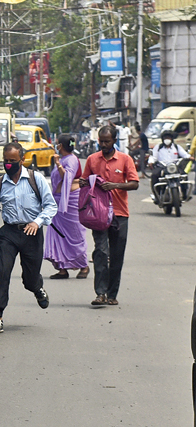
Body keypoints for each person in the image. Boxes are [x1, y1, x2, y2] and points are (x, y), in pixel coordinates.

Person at [0, 142, 57, 334]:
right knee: (3, 272)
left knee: (29, 279)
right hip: (9, 234)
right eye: (6, 161)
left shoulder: (35, 179)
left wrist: (37, 222)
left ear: (22, 160)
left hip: (32, 233)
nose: (9, 164)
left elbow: (50, 206)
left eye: (13, 161)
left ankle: (36, 288)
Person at [80, 125, 139, 307]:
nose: (103, 144)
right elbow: (85, 181)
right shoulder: (92, 159)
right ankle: (100, 293)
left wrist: (115, 185)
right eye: (101, 141)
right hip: (99, 215)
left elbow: (134, 183)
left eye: (107, 141)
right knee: (100, 252)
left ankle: (112, 294)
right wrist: (84, 183)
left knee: (116, 255)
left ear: (114, 140)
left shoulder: (125, 159)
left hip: (120, 214)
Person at [44, 134, 89, 279]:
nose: (56, 146)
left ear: (61, 146)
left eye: (57, 143)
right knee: (57, 233)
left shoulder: (72, 159)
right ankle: (62, 268)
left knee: (74, 233)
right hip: (58, 201)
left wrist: (58, 164)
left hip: (71, 200)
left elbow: (67, 177)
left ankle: (84, 266)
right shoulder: (63, 159)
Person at [149, 129, 191, 202]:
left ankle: (184, 195)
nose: (167, 139)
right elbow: (153, 156)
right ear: (162, 139)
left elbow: (185, 155)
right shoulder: (158, 147)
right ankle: (157, 196)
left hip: (174, 167)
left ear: (172, 138)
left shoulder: (176, 147)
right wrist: (151, 161)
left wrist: (190, 157)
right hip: (162, 167)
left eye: (169, 137)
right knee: (154, 175)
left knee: (184, 175)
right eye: (165, 138)